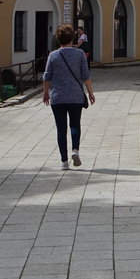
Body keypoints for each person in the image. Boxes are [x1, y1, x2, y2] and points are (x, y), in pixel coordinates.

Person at [41, 23, 94, 170]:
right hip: (76, 96)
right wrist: (90, 93)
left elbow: (47, 77)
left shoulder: (53, 55)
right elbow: (86, 75)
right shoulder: (79, 54)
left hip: (57, 97)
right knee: (75, 124)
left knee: (61, 128)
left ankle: (64, 161)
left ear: (59, 39)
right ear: (72, 38)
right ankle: (75, 150)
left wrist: (46, 94)